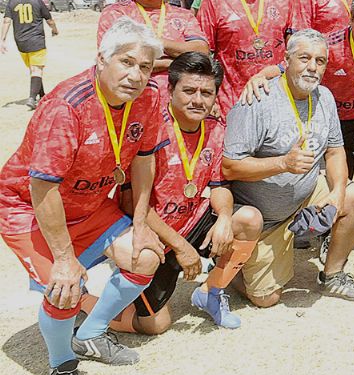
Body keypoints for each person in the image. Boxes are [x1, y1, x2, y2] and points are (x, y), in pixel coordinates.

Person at [0, 18, 167, 375]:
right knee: (66, 286)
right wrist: (62, 258)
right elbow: (42, 186)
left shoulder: (150, 97)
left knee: (144, 257)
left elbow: (143, 160)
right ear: (101, 59)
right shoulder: (65, 106)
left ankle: (90, 335)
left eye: (144, 66)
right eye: (126, 62)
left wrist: (140, 224)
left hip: (89, 205)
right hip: (30, 206)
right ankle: (62, 366)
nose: (135, 75)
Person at [81, 52, 264, 333]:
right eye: (189, 91)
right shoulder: (150, 129)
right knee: (154, 325)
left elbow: (218, 185)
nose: (198, 100)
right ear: (170, 90)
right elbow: (132, 205)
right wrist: (181, 247)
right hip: (152, 234)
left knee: (248, 218)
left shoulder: (215, 129)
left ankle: (211, 293)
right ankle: (83, 301)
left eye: (207, 92)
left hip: (189, 221)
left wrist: (225, 218)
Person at [222, 29, 354, 306]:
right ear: (286, 59)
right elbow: (230, 167)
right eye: (304, 58)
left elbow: (334, 150)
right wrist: (282, 163)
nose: (312, 67)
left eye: (320, 60)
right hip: (264, 217)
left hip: (304, 196)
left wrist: (338, 191)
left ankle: (333, 276)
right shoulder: (259, 100)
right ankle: (228, 266)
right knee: (266, 299)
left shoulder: (325, 97)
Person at [240, 0, 354, 254]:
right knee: (335, 181)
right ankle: (326, 232)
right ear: (351, 20)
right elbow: (286, 66)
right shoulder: (329, 46)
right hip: (326, 121)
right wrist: (259, 76)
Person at [198, 0, 292, 115]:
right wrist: (208, 96)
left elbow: (294, 48)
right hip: (233, 103)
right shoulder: (215, 0)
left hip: (279, 99)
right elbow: (203, 55)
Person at [98, 0, 208, 94]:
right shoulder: (116, 14)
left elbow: (201, 51)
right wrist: (176, 61)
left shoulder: (183, 15)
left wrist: (156, 43)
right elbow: (113, 63)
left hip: (179, 106)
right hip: (133, 104)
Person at [1, 0, 59, 109]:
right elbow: (50, 21)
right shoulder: (37, 2)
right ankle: (32, 99)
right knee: (36, 69)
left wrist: (2, 40)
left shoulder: (12, 2)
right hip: (36, 40)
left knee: (34, 69)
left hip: (21, 42)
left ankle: (42, 95)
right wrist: (55, 30)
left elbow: (6, 21)